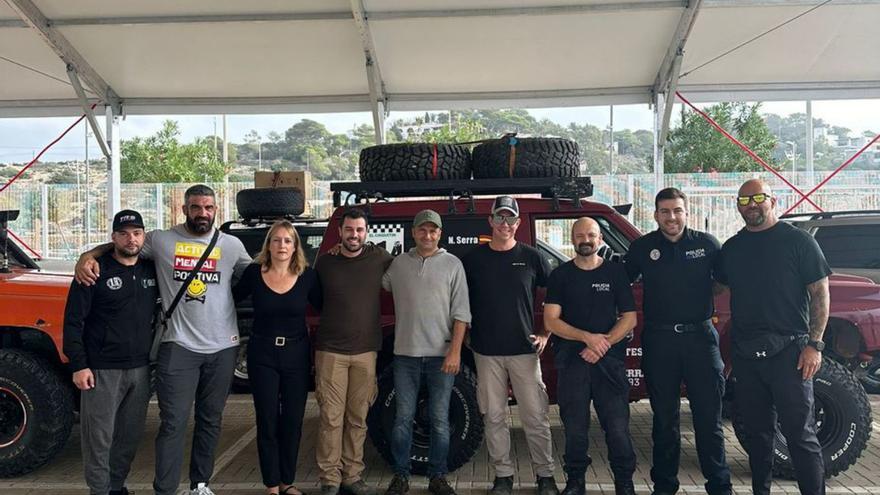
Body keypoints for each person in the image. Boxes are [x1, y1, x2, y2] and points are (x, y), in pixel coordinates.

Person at [75, 184, 252, 495]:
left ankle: (200, 484)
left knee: (211, 421)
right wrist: (88, 255)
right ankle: (165, 489)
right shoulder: (160, 240)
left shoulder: (232, 245)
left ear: (216, 209)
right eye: (196, 207)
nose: (203, 213)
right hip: (178, 345)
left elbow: (257, 277)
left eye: (208, 207)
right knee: (173, 424)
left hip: (224, 346)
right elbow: (123, 245)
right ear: (183, 209)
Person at [717, 179, 829, 495]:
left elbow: (820, 293)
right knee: (758, 436)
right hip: (747, 356)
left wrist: (814, 345)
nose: (751, 204)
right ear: (738, 205)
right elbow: (717, 287)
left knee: (800, 435)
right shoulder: (732, 248)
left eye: (758, 197)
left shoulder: (799, 242)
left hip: (791, 354)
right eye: (744, 200)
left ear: (773, 201)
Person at [624, 188, 732, 495]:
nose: (672, 217)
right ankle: (665, 486)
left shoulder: (707, 244)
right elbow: (623, 283)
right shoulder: (642, 248)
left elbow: (723, 281)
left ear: (687, 212)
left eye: (677, 210)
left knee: (708, 420)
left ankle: (720, 487)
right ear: (656, 215)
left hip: (701, 339)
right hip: (660, 342)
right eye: (665, 211)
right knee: (664, 421)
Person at [461, 196, 558, 495]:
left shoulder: (532, 257)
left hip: (525, 353)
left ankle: (546, 476)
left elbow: (557, 296)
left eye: (510, 219)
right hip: (486, 353)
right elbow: (457, 302)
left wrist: (545, 333)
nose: (505, 224)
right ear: (490, 222)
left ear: (517, 223)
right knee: (494, 416)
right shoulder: (473, 260)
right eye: (499, 218)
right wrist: (465, 337)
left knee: (535, 418)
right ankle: (502, 475)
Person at [63, 209, 157, 495]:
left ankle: (117, 487)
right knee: (98, 438)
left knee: (128, 438)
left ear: (144, 236)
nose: (131, 239)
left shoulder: (151, 268)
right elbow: (73, 321)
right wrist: (79, 365)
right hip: (101, 369)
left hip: (140, 369)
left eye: (137, 233)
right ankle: (99, 490)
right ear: (113, 237)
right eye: (124, 233)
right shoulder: (94, 270)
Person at [543, 217, 637, 495]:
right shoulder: (560, 276)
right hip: (572, 362)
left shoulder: (615, 273)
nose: (586, 240)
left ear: (600, 239)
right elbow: (551, 321)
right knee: (575, 428)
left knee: (618, 428)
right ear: (572, 239)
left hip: (609, 364)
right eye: (580, 235)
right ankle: (575, 481)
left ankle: (624, 482)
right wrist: (587, 337)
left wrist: (602, 344)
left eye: (592, 235)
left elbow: (629, 318)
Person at [381, 209, 471, 495]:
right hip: (404, 356)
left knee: (440, 420)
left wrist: (455, 352)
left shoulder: (453, 264)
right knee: (402, 419)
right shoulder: (397, 265)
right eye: (422, 230)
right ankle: (401, 475)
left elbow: (462, 314)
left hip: (441, 357)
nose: (427, 235)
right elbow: (377, 278)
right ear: (414, 232)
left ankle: (438, 476)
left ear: (440, 234)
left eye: (433, 230)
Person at [233, 220, 320, 495]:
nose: (282, 245)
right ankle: (271, 485)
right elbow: (227, 299)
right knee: (268, 420)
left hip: (296, 353)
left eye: (287, 241)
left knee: (293, 421)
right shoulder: (253, 273)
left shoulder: (308, 276)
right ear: (268, 244)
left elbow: (328, 306)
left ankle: (287, 482)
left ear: (295, 247)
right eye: (277, 240)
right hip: (262, 354)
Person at [313, 207, 392, 495]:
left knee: (358, 417)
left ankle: (352, 475)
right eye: (349, 229)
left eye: (359, 230)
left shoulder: (379, 258)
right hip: (330, 351)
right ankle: (329, 479)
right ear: (340, 231)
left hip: (366, 352)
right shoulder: (325, 263)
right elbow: (316, 300)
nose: (354, 235)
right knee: (331, 418)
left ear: (366, 233)